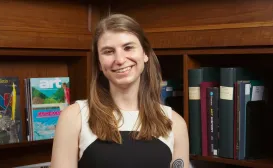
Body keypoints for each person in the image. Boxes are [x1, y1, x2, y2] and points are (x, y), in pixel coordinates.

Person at [51, 13, 189, 168]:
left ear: (145, 54)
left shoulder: (175, 123)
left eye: (128, 48)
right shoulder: (73, 117)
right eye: (108, 51)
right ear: (99, 63)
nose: (120, 60)